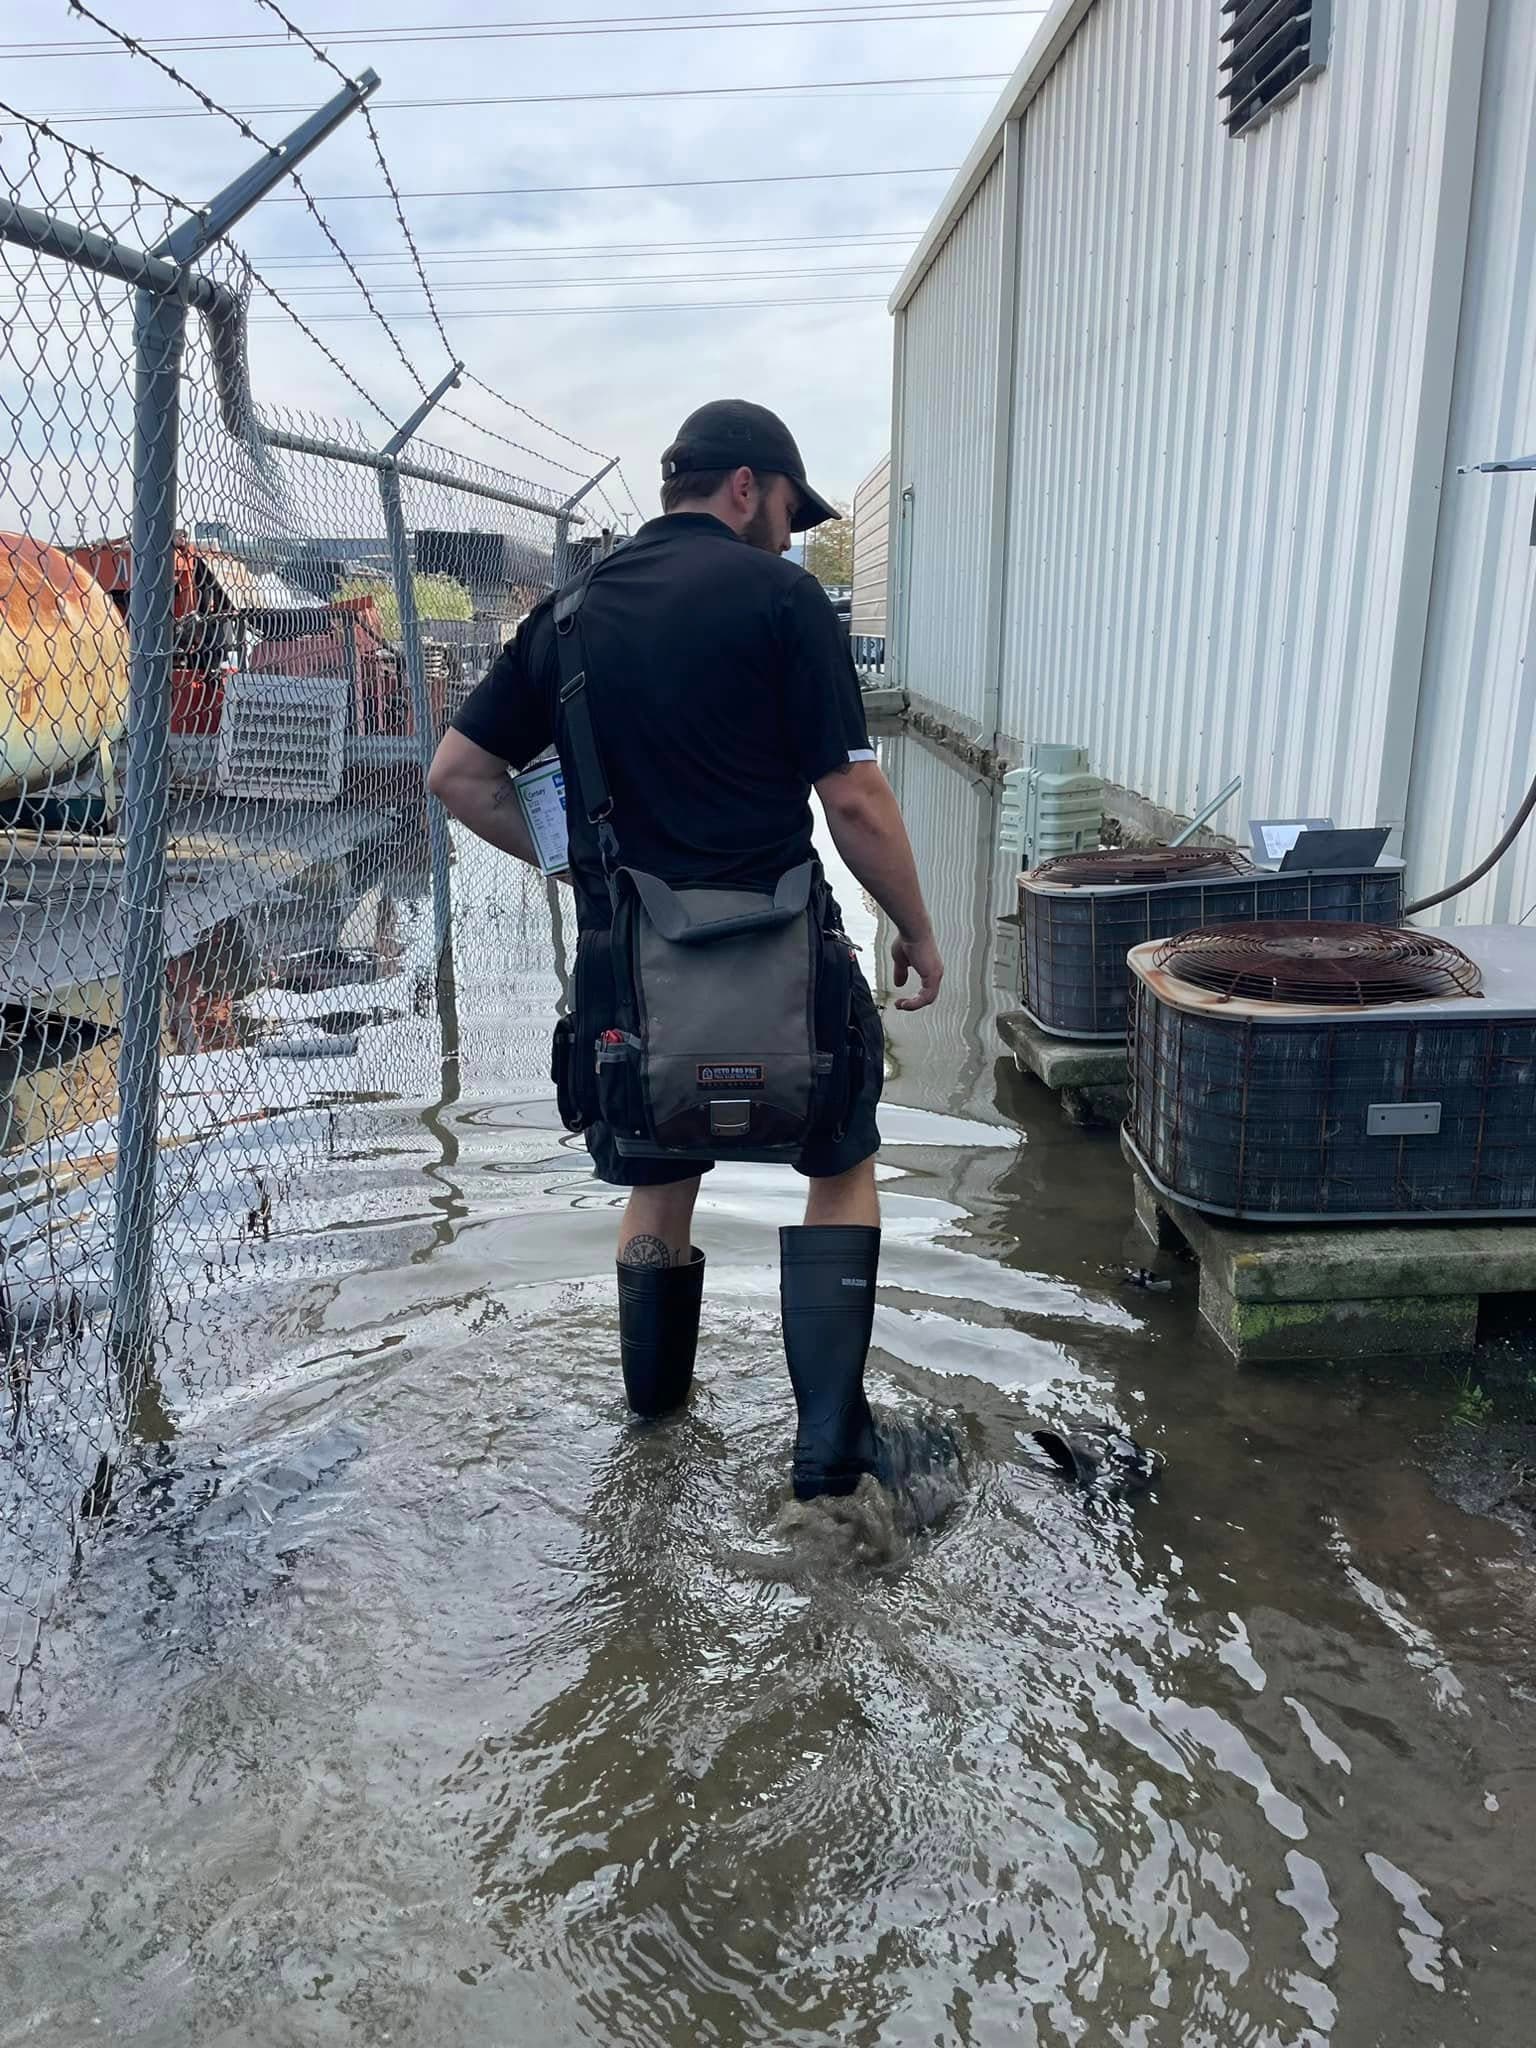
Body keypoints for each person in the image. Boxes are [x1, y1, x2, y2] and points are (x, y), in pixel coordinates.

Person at [428, 400, 942, 1500]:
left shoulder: (566, 617)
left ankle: (653, 1436)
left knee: (661, 1183)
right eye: (789, 514)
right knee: (841, 1165)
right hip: (785, 970)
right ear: (745, 488)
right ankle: (828, 1454)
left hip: (635, 978)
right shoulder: (786, 600)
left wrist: (588, 868)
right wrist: (919, 925)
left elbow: (458, 777)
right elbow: (852, 798)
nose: (794, 539)